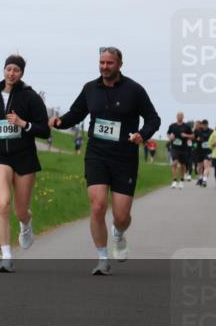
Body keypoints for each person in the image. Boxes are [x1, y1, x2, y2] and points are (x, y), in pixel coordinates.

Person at [49, 47, 160, 275]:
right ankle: (102, 257)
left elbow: (153, 118)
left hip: (124, 158)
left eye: (109, 63)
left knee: (121, 216)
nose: (104, 67)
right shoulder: (90, 88)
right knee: (98, 205)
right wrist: (60, 121)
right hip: (97, 154)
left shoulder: (134, 90)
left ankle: (118, 234)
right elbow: (76, 113)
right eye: (101, 62)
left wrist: (142, 134)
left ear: (120, 64)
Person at [0, 55, 50, 273]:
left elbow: (44, 130)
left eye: (16, 70)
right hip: (0, 156)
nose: (11, 73)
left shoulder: (31, 97)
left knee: (20, 210)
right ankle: (6, 254)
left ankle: (26, 225)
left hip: (25, 158)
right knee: (3, 203)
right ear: (3, 70)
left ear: (22, 73)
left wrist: (23, 124)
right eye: (8, 69)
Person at [166, 113, 193, 189]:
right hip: (174, 148)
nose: (179, 117)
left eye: (181, 115)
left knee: (183, 165)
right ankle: (174, 181)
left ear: (183, 117)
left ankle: (181, 180)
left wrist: (186, 135)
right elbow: (168, 133)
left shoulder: (187, 126)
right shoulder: (172, 126)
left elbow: (193, 136)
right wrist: (170, 137)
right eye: (178, 115)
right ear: (176, 117)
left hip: (184, 148)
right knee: (174, 163)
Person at [192, 119, 212, 187]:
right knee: (199, 167)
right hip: (199, 151)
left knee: (207, 166)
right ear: (202, 125)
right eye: (204, 125)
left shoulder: (211, 131)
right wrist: (197, 140)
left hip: (208, 151)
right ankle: (200, 178)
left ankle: (204, 180)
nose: (205, 126)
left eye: (206, 125)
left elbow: (215, 139)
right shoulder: (197, 131)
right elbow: (193, 138)